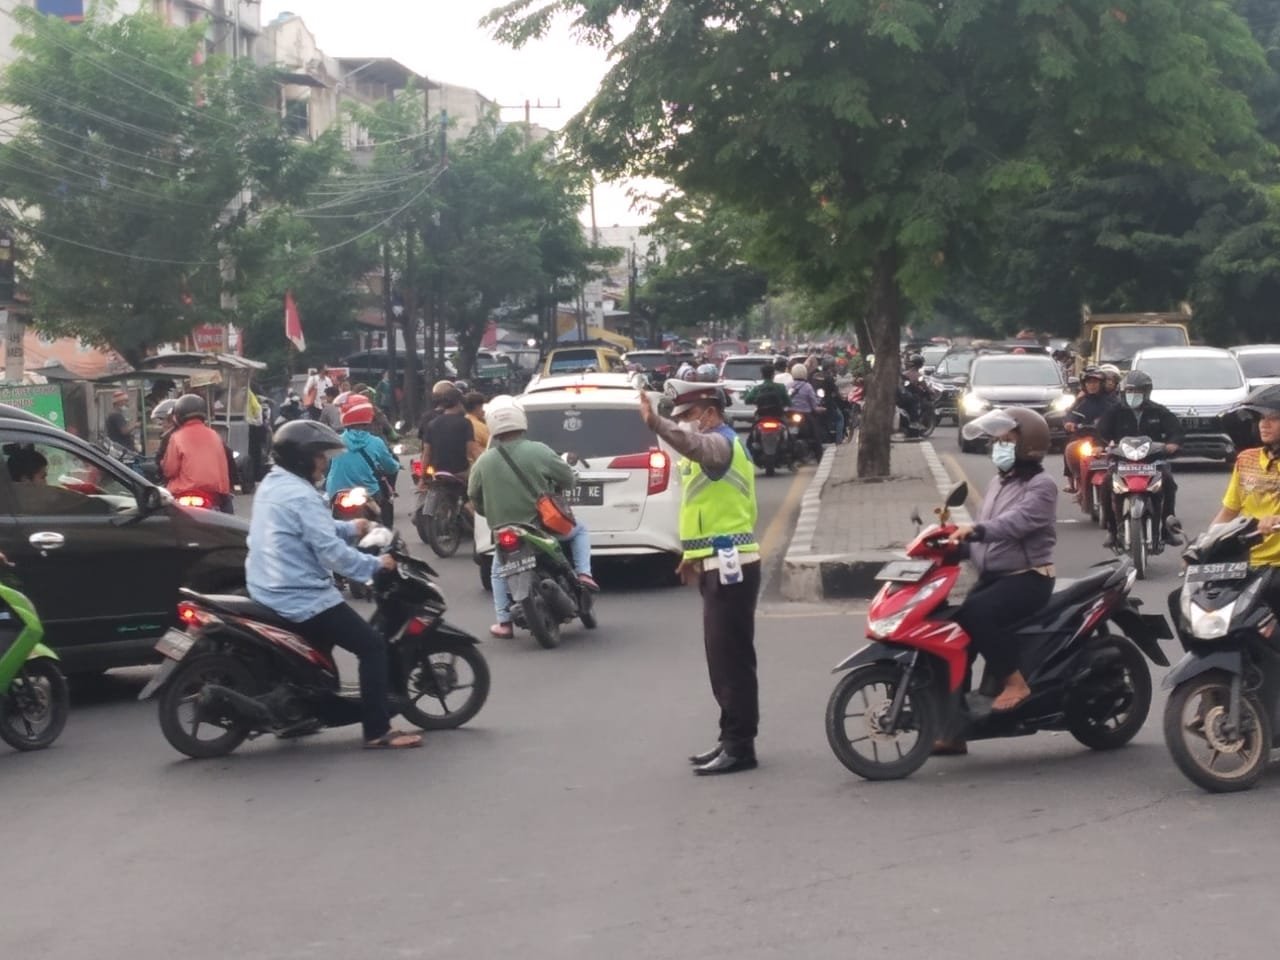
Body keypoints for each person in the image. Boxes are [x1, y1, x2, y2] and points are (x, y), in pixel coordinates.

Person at [247, 420, 421, 750]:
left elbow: (314, 529)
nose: (324, 463)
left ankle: (298, 715)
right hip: (299, 595)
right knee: (372, 646)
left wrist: (352, 527)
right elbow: (331, 553)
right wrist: (375, 565)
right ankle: (377, 730)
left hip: (267, 585)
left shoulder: (274, 484)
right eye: (319, 457)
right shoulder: (301, 495)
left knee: (317, 655)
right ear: (302, 459)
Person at [639, 379, 760, 776]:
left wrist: (657, 423)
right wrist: (691, 557)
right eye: (678, 417)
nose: (684, 424)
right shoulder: (713, 448)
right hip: (716, 563)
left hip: (732, 566)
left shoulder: (720, 445)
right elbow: (704, 510)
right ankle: (730, 737)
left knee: (731, 662)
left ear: (710, 413)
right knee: (721, 660)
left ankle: (740, 745)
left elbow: (692, 445)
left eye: (688, 416)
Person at [940, 408, 1058, 751]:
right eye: (997, 441)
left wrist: (975, 530)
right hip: (994, 577)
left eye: (1006, 441)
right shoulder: (998, 483)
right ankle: (954, 729)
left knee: (977, 614)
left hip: (1028, 578)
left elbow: (1014, 524)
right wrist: (954, 545)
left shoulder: (1042, 486)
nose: (998, 447)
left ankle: (1016, 683)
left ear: (1027, 446)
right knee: (954, 635)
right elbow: (987, 535)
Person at [468, 395, 598, 639]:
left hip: (503, 531)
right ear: (521, 421)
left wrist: (488, 511)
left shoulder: (483, 462)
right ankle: (584, 574)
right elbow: (567, 479)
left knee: (498, 571)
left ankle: (504, 623)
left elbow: (473, 496)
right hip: (542, 528)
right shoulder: (539, 451)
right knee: (580, 530)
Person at [1210, 385, 1280, 613]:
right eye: (1261, 418)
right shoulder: (1247, 460)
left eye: (1274, 418)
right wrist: (1205, 544)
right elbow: (1229, 512)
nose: (1264, 424)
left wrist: (1275, 519)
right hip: (1244, 563)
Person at [1097, 370, 1183, 548]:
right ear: (1123, 392)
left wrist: (1172, 443)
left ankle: (1167, 530)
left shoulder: (1158, 411)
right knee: (1106, 484)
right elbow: (1101, 432)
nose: (1133, 395)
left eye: (1137, 391)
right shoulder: (1115, 411)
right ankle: (1112, 530)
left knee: (1169, 483)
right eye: (1129, 391)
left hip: (1152, 461)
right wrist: (1102, 444)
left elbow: (1176, 430)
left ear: (1146, 393)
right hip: (1122, 461)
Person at [326, 395, 401, 527]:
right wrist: (396, 466)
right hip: (368, 493)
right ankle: (384, 532)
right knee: (382, 516)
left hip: (336, 494)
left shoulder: (335, 440)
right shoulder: (376, 442)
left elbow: (326, 466)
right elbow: (390, 467)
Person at [161, 394, 233, 514]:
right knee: (228, 519)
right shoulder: (214, 435)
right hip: (213, 495)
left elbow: (170, 470)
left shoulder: (176, 437)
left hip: (182, 492)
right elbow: (226, 465)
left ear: (178, 417)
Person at [1061, 366, 1116, 494]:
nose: (1092, 385)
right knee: (1070, 449)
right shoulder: (1081, 401)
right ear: (1084, 384)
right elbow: (1070, 414)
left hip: (1106, 439)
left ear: (1101, 383)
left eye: (1095, 382)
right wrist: (1069, 423)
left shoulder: (1112, 402)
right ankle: (1076, 481)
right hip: (1084, 437)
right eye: (1089, 382)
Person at [423, 386, 480, 477]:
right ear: (458, 403)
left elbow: (426, 454)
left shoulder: (432, 424)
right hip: (460, 473)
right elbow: (473, 450)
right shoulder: (465, 423)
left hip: (437, 474)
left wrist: (422, 478)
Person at [787, 364, 825, 460]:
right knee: (816, 434)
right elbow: (814, 404)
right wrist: (821, 409)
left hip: (788, 414)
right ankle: (819, 456)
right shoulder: (807, 386)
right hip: (805, 415)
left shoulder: (788, 386)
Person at [464, 391, 491, 462]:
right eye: (482, 407)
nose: (484, 411)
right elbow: (491, 445)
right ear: (478, 407)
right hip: (481, 461)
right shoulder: (479, 426)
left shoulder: (463, 422)